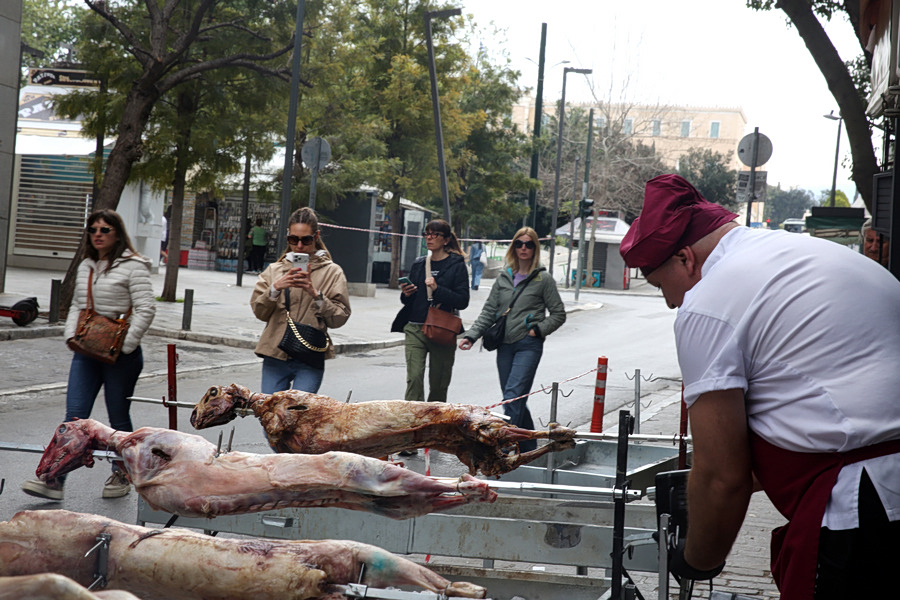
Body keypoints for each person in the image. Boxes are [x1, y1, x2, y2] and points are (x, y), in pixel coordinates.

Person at [619, 174, 900, 599]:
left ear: (684, 258)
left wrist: (698, 559)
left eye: (661, 286)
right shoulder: (798, 252)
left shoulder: (707, 302)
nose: (671, 302)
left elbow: (722, 478)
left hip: (869, 513)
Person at [22, 209, 156, 501]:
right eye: (93, 229)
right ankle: (54, 479)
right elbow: (76, 306)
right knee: (74, 418)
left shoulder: (134, 266)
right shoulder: (86, 265)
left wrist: (126, 345)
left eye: (105, 229)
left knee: (118, 419)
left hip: (121, 354)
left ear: (117, 234)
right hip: (87, 350)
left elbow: (147, 308)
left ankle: (122, 473)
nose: (97, 234)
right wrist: (71, 336)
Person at [458, 227, 566, 452]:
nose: (523, 248)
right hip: (504, 346)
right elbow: (489, 311)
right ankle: (528, 447)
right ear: (513, 247)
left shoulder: (542, 279)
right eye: (519, 243)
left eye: (529, 244)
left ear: (535, 248)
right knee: (516, 399)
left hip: (528, 345)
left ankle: (504, 443)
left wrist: (538, 330)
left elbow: (558, 314)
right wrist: (471, 335)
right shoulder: (504, 277)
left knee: (512, 397)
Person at [250, 207, 350, 395]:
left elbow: (339, 318)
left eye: (306, 239)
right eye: (293, 239)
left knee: (299, 417)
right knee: (271, 418)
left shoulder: (332, 271)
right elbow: (259, 312)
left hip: (309, 355)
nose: (300, 246)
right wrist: (275, 288)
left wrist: (315, 293)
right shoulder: (275, 270)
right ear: (288, 236)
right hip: (275, 353)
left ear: (316, 236)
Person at [391, 219, 469, 410]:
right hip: (415, 327)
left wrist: (437, 288)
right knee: (414, 378)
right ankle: (412, 423)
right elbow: (409, 300)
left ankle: (434, 423)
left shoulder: (456, 265)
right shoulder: (419, 263)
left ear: (446, 240)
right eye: (427, 233)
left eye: (435, 234)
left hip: (441, 329)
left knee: (439, 385)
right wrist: (406, 293)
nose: (430, 238)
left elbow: (462, 301)